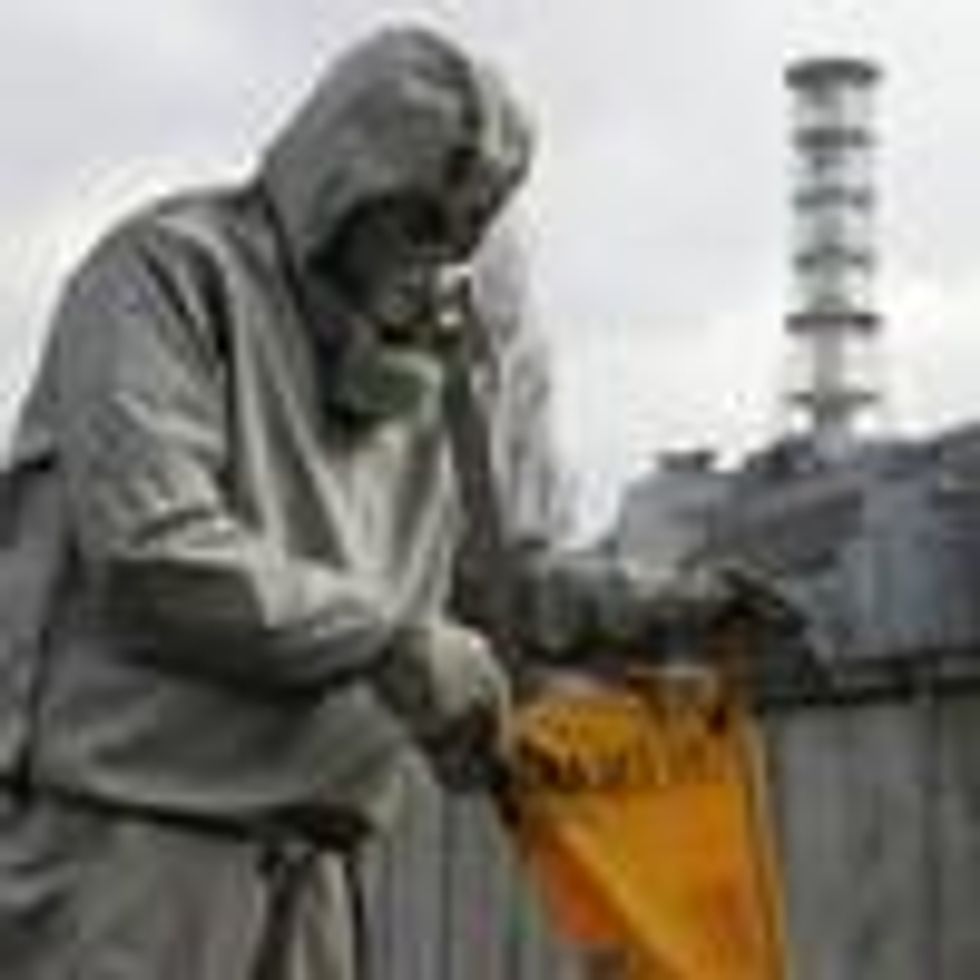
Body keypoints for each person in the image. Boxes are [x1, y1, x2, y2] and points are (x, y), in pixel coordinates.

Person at [0, 23, 761, 980]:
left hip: (317, 867)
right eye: (415, 222)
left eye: (464, 233)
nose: (438, 259)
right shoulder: (165, 277)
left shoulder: (445, 353)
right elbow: (155, 552)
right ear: (335, 189)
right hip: (135, 861)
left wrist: (664, 609)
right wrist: (391, 642)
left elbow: (490, 580)